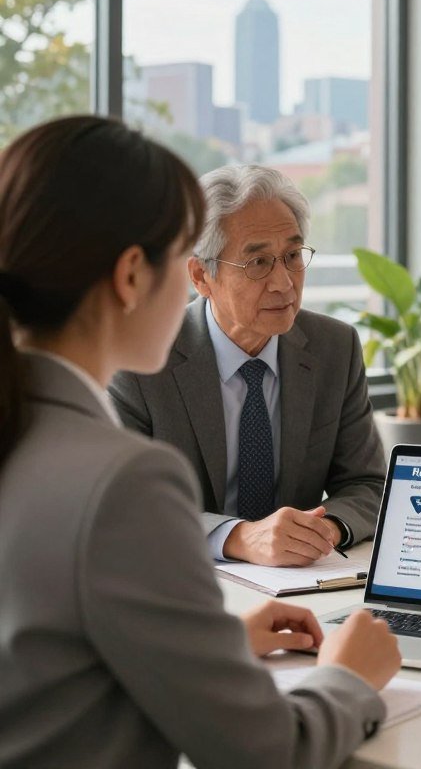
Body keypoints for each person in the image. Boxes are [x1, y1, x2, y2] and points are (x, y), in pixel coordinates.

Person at [0, 116, 400, 767]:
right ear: (142, 276)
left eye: (294, 255)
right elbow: (268, 752)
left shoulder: (23, 432)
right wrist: (351, 677)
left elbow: (52, 659)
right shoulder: (122, 479)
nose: (283, 280)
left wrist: (213, 644)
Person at [109, 164, 385, 567]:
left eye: (292, 256)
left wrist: (327, 528)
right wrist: (238, 538)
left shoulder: (333, 348)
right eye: (258, 264)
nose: (285, 283)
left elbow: (367, 483)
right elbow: (124, 502)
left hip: (299, 583)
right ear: (202, 276)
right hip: (181, 579)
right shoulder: (140, 361)